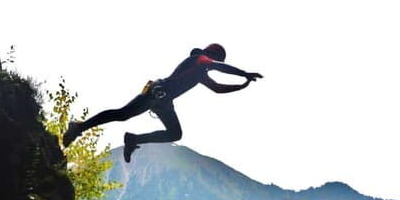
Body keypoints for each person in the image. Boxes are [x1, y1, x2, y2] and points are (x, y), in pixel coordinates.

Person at [62, 43, 263, 162]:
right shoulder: (199, 60)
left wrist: (242, 85)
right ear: (212, 56)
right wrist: (243, 73)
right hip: (157, 93)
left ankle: (133, 140)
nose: (212, 65)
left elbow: (218, 88)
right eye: (214, 61)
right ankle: (79, 126)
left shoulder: (201, 72)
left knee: (175, 134)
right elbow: (219, 67)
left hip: (164, 102)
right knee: (122, 114)